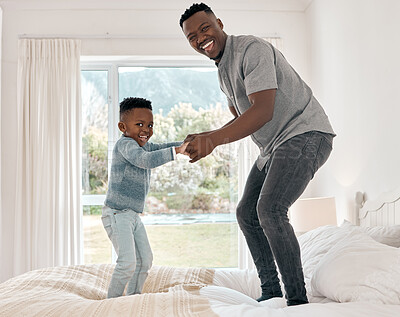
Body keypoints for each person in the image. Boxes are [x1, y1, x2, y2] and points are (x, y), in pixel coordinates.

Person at [179, 3, 335, 306]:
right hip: (275, 146)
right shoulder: (223, 71)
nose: (200, 38)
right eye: (192, 37)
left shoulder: (252, 49)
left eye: (204, 28)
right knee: (246, 213)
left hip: (305, 133)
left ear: (219, 23)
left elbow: (263, 112)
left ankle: (297, 301)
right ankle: (270, 291)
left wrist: (213, 141)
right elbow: (242, 118)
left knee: (271, 210)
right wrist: (204, 137)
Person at [101, 97, 188, 298]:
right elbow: (145, 160)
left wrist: (185, 145)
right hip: (116, 214)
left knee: (145, 260)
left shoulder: (144, 145)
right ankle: (110, 304)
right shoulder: (125, 145)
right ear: (123, 126)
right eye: (139, 124)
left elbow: (158, 148)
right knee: (127, 263)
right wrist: (176, 151)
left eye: (150, 125)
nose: (146, 130)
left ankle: (133, 297)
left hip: (132, 215)